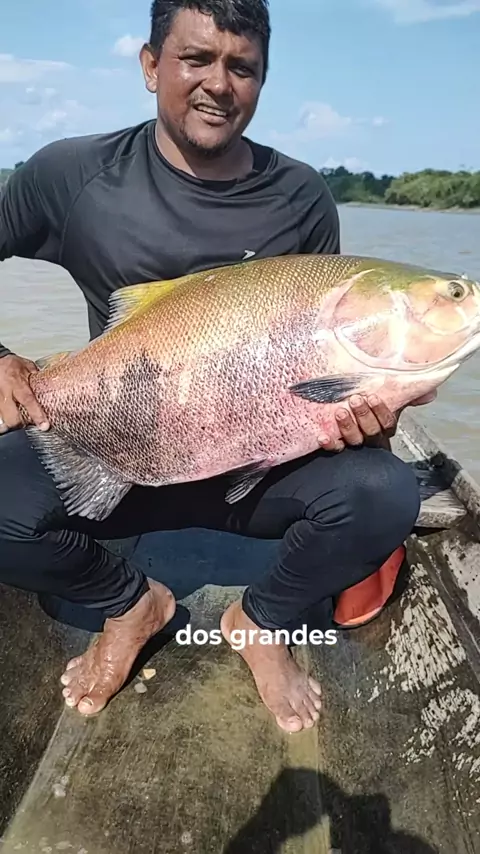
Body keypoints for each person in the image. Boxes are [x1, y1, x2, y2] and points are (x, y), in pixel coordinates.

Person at [0, 0, 428, 734]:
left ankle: (261, 619)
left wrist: (365, 419)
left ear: (263, 78)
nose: (219, 84)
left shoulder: (301, 196)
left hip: (255, 465)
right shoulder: (71, 174)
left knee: (386, 493)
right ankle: (131, 605)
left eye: (242, 67)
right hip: (115, 449)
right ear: (150, 65)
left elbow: (324, 359)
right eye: (196, 59)